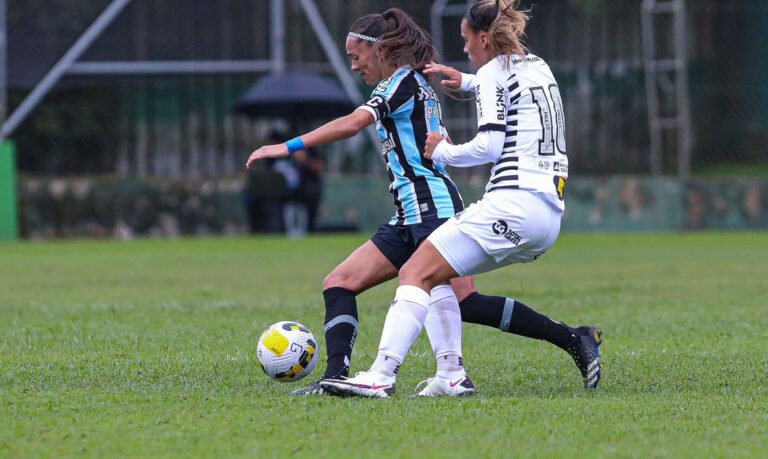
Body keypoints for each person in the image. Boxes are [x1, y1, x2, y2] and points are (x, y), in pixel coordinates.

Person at [249, 6, 598, 398]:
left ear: (379, 50)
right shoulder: (413, 82)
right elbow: (494, 84)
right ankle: (340, 376)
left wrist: (287, 145)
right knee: (340, 283)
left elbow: (353, 123)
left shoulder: (399, 82)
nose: (353, 66)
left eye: (355, 57)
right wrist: (465, 80)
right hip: (408, 213)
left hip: (433, 206)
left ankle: (433, 370)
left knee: (447, 292)